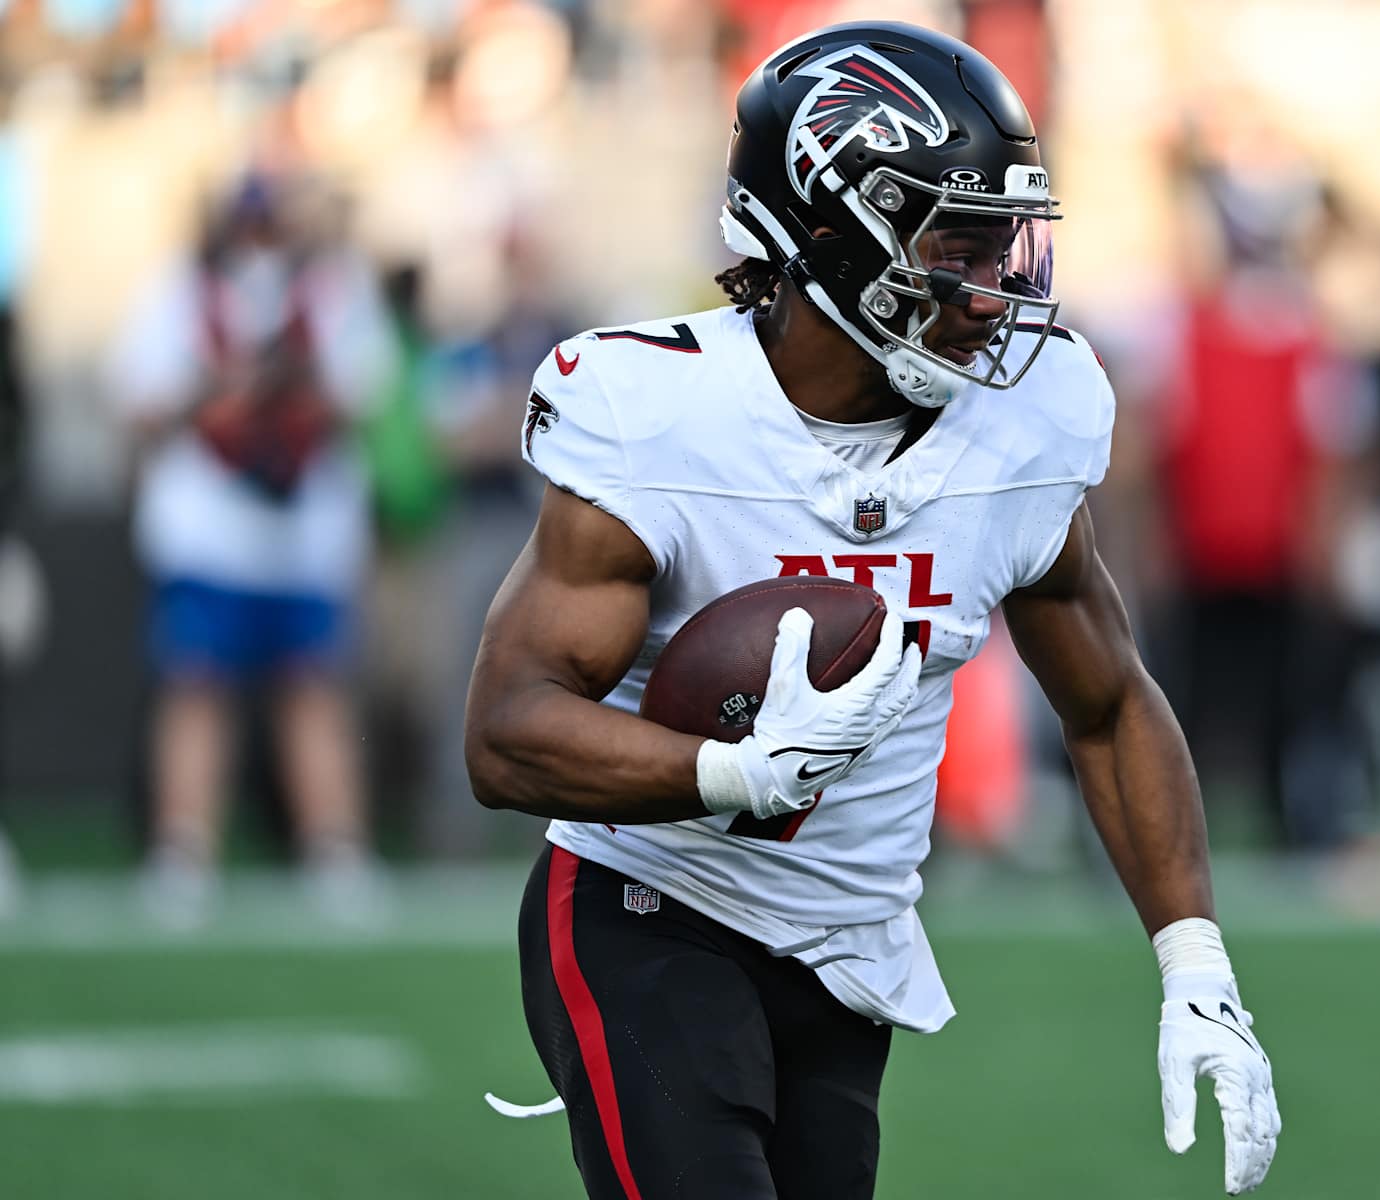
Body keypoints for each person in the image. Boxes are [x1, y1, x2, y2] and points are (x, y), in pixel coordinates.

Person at [465, 22, 1280, 1199]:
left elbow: (1106, 708)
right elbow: (505, 731)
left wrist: (1195, 966)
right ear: (829, 232)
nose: (999, 285)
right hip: (648, 908)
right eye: (961, 242)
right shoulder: (662, 415)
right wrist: (730, 772)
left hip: (847, 948)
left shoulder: (1024, 427)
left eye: (1010, 244)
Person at [114, 177, 392, 926]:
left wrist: (286, 384)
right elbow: (140, 401)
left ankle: (334, 850)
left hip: (305, 534)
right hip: (207, 530)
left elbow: (365, 392)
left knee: (314, 691)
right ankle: (183, 850)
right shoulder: (176, 290)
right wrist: (219, 388)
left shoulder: (337, 287)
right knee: (196, 689)